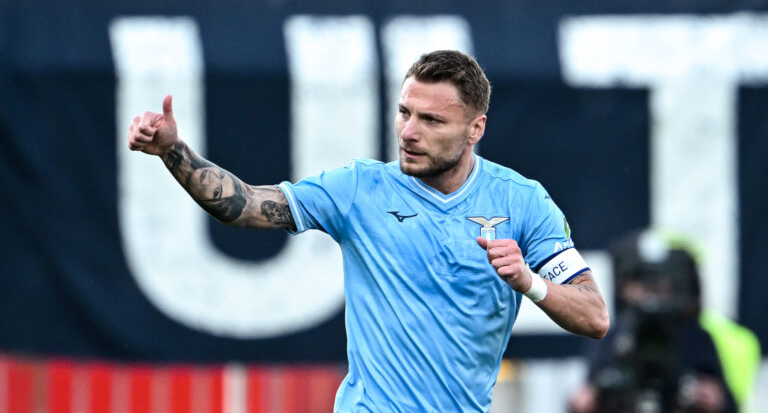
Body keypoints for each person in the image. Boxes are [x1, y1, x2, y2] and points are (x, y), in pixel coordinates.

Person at [128, 50, 609, 412]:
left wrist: (530, 283)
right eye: (404, 112)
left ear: (475, 128)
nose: (408, 132)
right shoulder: (360, 188)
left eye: (431, 120)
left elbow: (594, 317)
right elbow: (247, 206)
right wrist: (175, 151)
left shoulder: (521, 201)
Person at [568, 229, 756, 413]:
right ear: (626, 288)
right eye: (642, 285)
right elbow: (589, 394)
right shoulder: (612, 334)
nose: (650, 295)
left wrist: (719, 401)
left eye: (658, 286)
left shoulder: (695, 336)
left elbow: (725, 400)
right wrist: (582, 402)